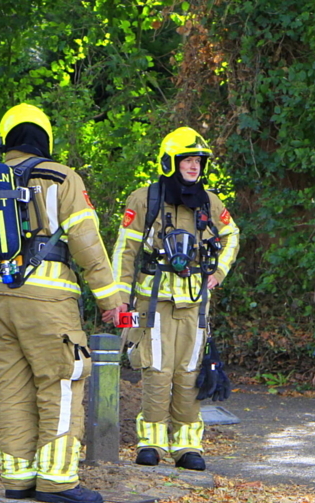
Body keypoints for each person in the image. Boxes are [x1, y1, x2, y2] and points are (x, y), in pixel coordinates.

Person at [0, 103, 123, 503]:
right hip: (49, 302)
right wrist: (110, 299)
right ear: (44, 137)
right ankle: (58, 481)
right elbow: (87, 244)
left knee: (9, 386)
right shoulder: (61, 178)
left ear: (7, 139)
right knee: (60, 382)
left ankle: (18, 480)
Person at [107, 127, 240, 470]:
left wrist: (218, 272)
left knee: (189, 373)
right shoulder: (145, 199)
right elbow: (125, 250)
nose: (194, 166)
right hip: (153, 303)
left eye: (198, 161)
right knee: (156, 371)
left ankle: (187, 446)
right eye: (187, 160)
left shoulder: (209, 202)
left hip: (195, 304)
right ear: (170, 162)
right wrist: (119, 297)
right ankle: (151, 443)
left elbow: (232, 235)